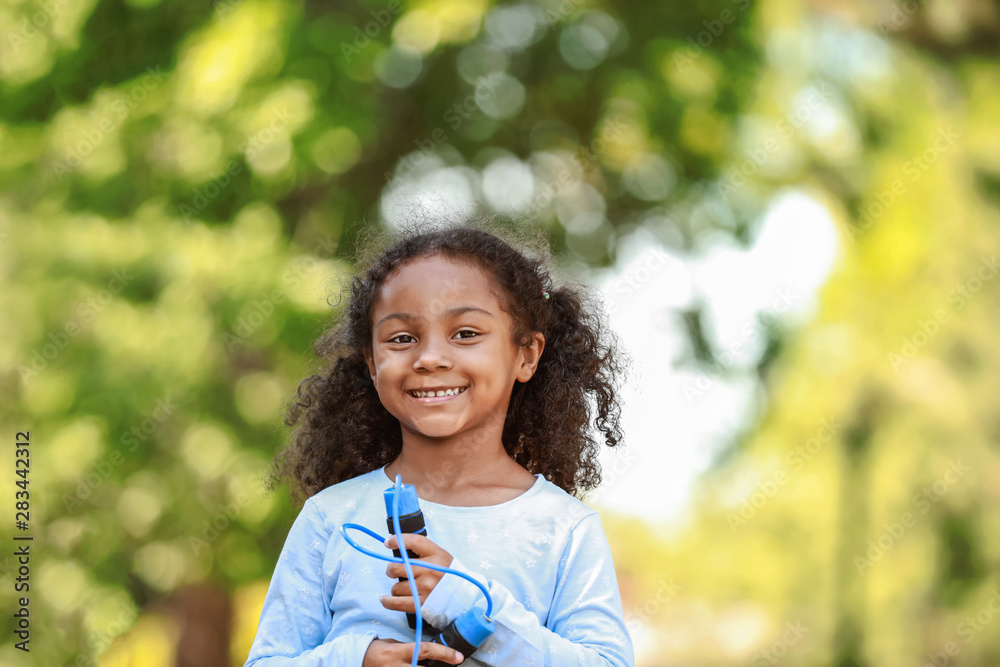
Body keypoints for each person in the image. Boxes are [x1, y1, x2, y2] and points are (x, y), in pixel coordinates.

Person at [244, 217, 635, 666]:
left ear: (526, 354)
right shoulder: (330, 518)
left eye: (465, 334)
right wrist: (355, 659)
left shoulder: (564, 528)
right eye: (402, 338)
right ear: (372, 364)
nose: (430, 357)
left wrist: (466, 603)